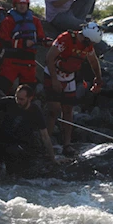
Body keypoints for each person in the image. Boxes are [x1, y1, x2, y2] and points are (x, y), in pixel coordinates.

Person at [44, 22, 104, 156]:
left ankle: (67, 144)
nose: (90, 46)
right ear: (85, 37)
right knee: (54, 110)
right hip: (53, 74)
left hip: (69, 77)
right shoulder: (65, 39)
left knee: (68, 111)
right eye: (89, 42)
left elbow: (93, 61)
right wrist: (54, 79)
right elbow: (49, 57)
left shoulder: (88, 46)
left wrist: (98, 78)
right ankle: (46, 143)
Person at [0, 0, 47, 95]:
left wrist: (46, 42)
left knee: (29, 92)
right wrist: (22, 43)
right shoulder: (8, 21)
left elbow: (41, 38)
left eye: (24, 4)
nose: (22, 6)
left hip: (29, 62)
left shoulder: (35, 21)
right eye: (19, 4)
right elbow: (3, 41)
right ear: (15, 5)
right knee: (2, 87)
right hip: (11, 61)